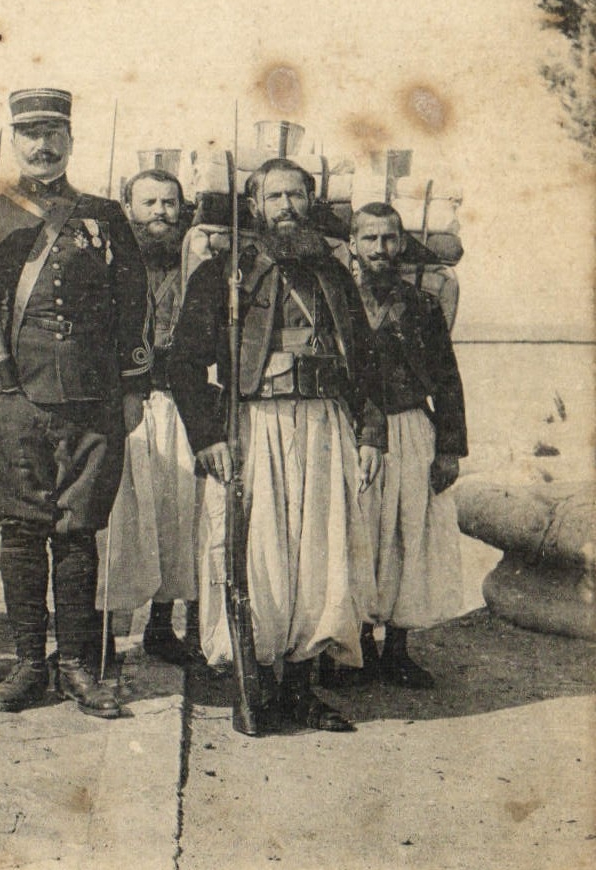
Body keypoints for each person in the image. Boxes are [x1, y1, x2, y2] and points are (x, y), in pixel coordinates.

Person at [0, 88, 151, 718]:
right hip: (6, 396)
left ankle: (75, 665)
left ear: (70, 140)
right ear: (12, 140)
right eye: (30, 134)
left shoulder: (103, 215)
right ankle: (27, 663)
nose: (43, 146)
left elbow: (135, 306)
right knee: (21, 532)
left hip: (88, 397)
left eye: (54, 133)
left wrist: (133, 387)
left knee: (78, 532)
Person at [170, 158, 385, 734]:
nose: (287, 207)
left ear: (311, 202)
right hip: (255, 424)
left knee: (319, 555)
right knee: (258, 555)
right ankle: (257, 685)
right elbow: (184, 363)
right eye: (275, 197)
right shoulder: (223, 274)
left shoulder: (334, 274)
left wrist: (370, 433)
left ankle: (301, 691)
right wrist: (207, 436)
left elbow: (366, 362)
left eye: (296, 196)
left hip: (325, 426)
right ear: (255, 206)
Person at [346, 202, 466, 686]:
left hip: (412, 430)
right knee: (360, 534)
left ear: (401, 244)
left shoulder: (423, 306)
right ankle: (355, 648)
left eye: (389, 238)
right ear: (352, 244)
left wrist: (449, 448)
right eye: (369, 238)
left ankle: (397, 649)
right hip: (355, 434)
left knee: (407, 533)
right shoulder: (338, 301)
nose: (380, 248)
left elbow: (448, 380)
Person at [97, 167, 201, 664]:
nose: (160, 212)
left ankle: (162, 627)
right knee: (117, 521)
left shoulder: (195, 268)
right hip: (124, 405)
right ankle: (104, 633)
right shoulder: (107, 264)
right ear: (128, 209)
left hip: (177, 404)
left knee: (175, 516)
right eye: (149, 203)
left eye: (169, 203)